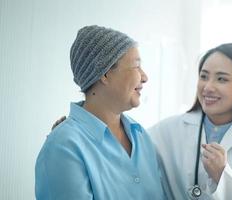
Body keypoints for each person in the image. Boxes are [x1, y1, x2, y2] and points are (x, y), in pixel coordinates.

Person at [35, 25, 165, 200]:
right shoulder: (63, 146)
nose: (145, 77)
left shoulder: (141, 136)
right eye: (136, 66)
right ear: (104, 74)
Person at [148, 43, 232, 199]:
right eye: (204, 76)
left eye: (221, 79)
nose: (208, 87)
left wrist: (222, 176)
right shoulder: (167, 131)